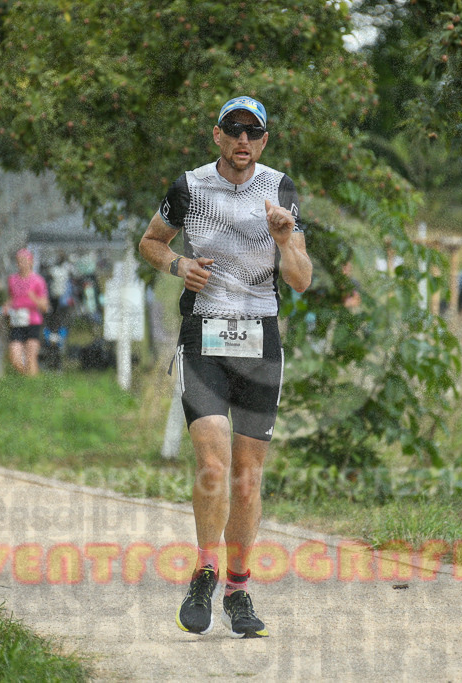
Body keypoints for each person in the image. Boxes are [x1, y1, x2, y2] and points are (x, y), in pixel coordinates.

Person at [138, 95, 311, 639]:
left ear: (264, 140)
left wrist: (286, 241)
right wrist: (178, 263)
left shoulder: (280, 189)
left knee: (247, 475)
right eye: (234, 130)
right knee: (212, 462)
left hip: (260, 338)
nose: (243, 141)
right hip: (204, 337)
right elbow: (150, 242)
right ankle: (205, 571)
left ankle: (238, 589)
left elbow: (302, 279)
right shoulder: (188, 187)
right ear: (217, 135)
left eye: (253, 133)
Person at [0, 248, 49, 376]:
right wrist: (6, 307)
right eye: (19, 261)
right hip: (17, 322)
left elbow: (45, 307)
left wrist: (34, 299)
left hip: (32, 322)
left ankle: (33, 387)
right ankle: (27, 377)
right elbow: (12, 299)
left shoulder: (38, 281)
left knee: (31, 357)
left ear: (31, 262)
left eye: (24, 261)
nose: (22, 264)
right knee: (15, 357)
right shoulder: (12, 280)